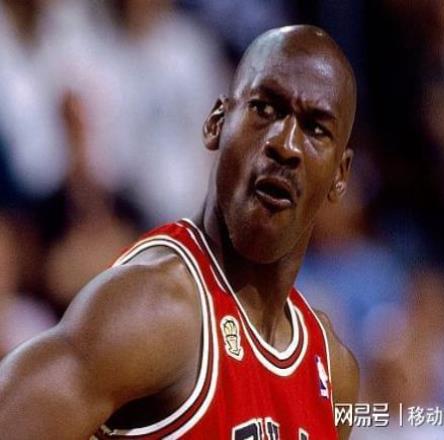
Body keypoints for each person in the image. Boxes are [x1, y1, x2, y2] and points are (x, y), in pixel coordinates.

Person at [0, 25, 359, 439]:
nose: (286, 144)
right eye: (264, 108)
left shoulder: (333, 371)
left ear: (340, 175)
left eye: (315, 129)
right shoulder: (155, 308)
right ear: (216, 122)